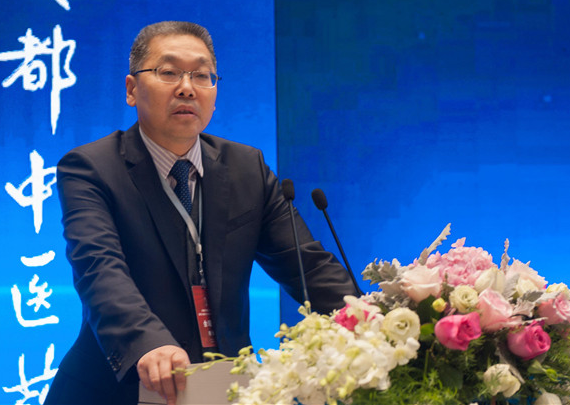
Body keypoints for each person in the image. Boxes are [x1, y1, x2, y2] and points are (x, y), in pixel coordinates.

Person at [44, 21, 356, 405]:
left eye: (202, 75)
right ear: (131, 89)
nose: (187, 87)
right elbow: (99, 269)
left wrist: (375, 322)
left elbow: (307, 267)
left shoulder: (246, 168)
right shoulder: (92, 168)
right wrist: (148, 343)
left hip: (224, 389)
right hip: (119, 391)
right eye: (168, 72)